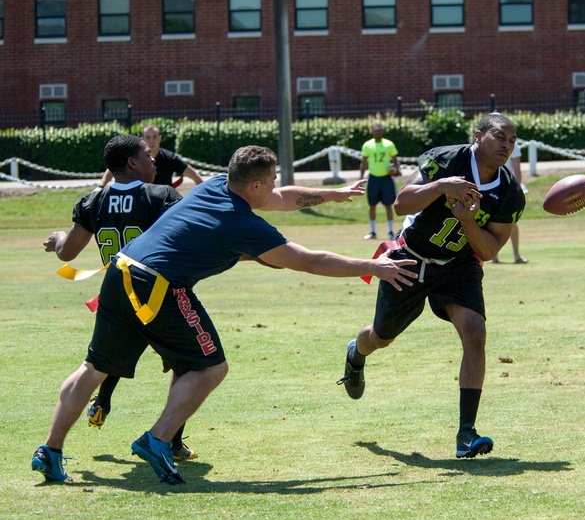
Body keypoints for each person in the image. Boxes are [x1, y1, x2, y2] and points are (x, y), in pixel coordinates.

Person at [31, 145, 418, 485]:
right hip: (158, 286)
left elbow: (283, 197)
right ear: (255, 185)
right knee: (211, 368)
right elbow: (309, 261)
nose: (275, 185)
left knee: (94, 368)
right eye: (271, 179)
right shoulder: (242, 223)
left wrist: (331, 194)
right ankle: (157, 439)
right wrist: (374, 266)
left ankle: (50, 450)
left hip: (120, 271)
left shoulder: (217, 184)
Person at [337, 113, 525, 459]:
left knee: (475, 331)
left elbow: (488, 251)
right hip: (410, 257)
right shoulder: (446, 159)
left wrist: (467, 221)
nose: (507, 145)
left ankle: (466, 433)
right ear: (478, 135)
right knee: (382, 336)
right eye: (500, 136)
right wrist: (441, 186)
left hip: (458, 265)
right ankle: (356, 352)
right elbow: (402, 203)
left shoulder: (509, 192)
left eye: (512, 141)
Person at [44, 134, 198, 460]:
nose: (153, 159)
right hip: (158, 296)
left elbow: (67, 253)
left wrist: (58, 239)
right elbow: (189, 238)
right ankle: (170, 442)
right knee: (190, 366)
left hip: (115, 295)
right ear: (132, 162)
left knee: (95, 367)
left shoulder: (94, 201)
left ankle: (53, 447)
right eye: (146, 155)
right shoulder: (161, 196)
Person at [99, 124, 204, 189]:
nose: (151, 141)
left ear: (159, 138)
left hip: (162, 202)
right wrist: (100, 187)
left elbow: (195, 176)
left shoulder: (170, 158)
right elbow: (114, 167)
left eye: (154, 137)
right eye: (148, 137)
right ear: (142, 139)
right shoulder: (134, 157)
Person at [358, 123, 401, 240]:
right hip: (373, 178)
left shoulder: (389, 144)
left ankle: (390, 231)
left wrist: (397, 170)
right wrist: (361, 177)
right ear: (372, 132)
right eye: (376, 131)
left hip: (386, 178)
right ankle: (373, 232)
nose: (378, 133)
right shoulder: (367, 145)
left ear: (382, 132)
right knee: (372, 205)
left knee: (388, 205)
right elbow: (364, 162)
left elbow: (395, 160)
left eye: (380, 131)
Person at [491, 140, 528, 264]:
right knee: (490, 220)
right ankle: (493, 255)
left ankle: (516, 255)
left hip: (508, 187)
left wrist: (517, 188)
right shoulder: (489, 142)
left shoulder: (512, 143)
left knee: (511, 222)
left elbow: (517, 167)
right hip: (493, 186)